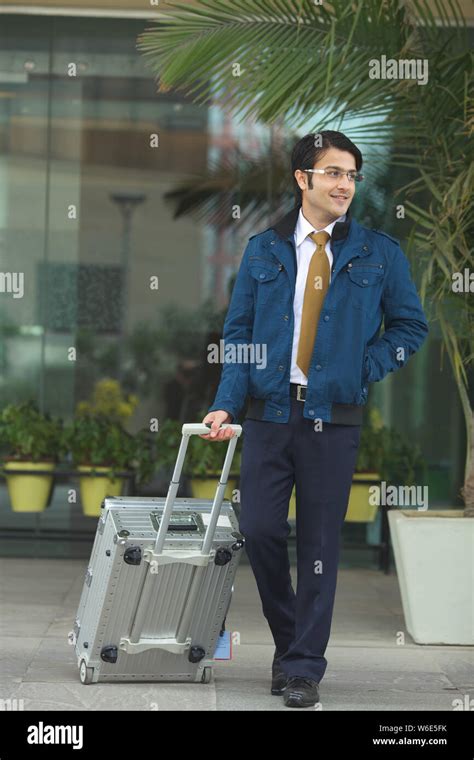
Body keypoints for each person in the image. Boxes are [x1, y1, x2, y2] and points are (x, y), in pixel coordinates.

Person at [200, 131, 429, 708]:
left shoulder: (381, 253)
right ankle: (289, 644)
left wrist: (362, 369)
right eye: (332, 173)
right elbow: (238, 336)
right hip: (270, 415)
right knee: (261, 530)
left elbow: (410, 328)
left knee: (321, 542)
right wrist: (227, 401)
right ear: (303, 179)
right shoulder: (262, 250)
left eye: (351, 175)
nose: (344, 185)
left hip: (335, 416)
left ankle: (303, 668)